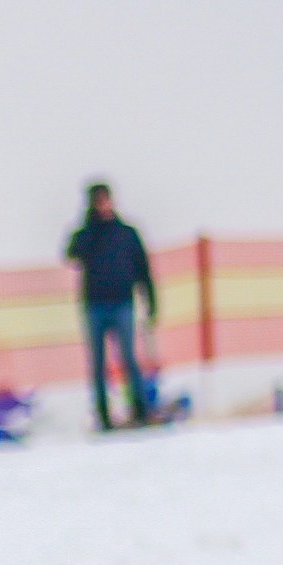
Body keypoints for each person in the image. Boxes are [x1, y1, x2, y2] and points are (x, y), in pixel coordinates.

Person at [67, 183, 160, 431]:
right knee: (97, 364)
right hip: (94, 305)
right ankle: (104, 415)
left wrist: (151, 302)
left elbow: (143, 269)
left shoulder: (126, 233)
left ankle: (140, 410)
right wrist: (90, 226)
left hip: (123, 303)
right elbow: (72, 252)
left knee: (129, 359)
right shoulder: (87, 234)